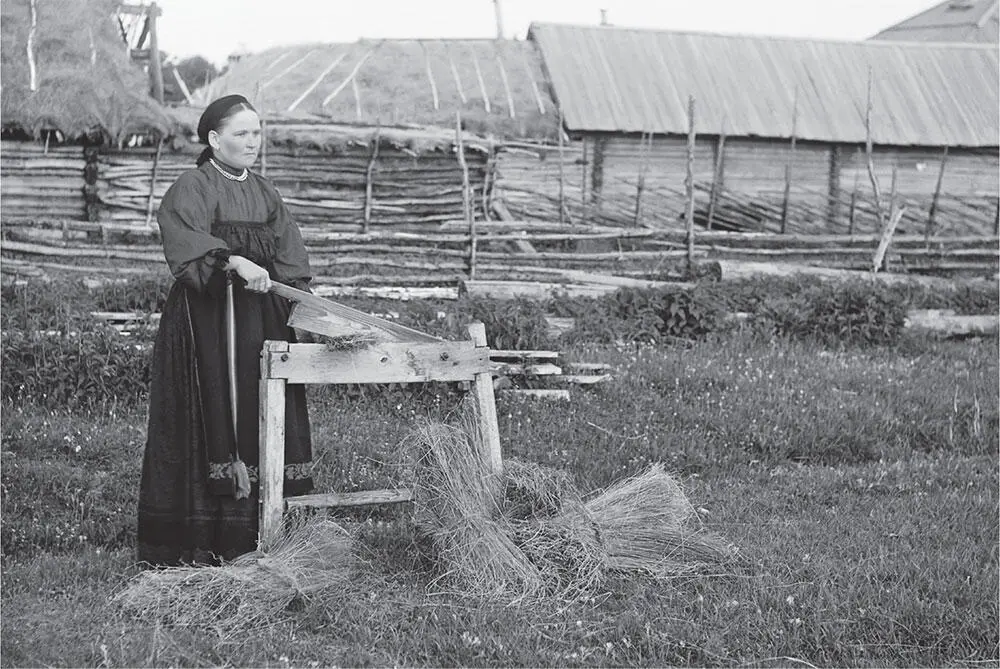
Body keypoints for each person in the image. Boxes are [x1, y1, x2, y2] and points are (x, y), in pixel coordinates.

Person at [137, 94, 314, 566]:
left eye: (257, 132)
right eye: (241, 133)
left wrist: (294, 293)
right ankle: (204, 539)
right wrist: (232, 259)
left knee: (263, 408)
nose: (252, 142)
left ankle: (267, 536)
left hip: (262, 321)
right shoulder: (192, 186)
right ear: (214, 139)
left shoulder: (264, 193)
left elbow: (290, 255)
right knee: (215, 409)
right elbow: (185, 244)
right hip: (209, 324)